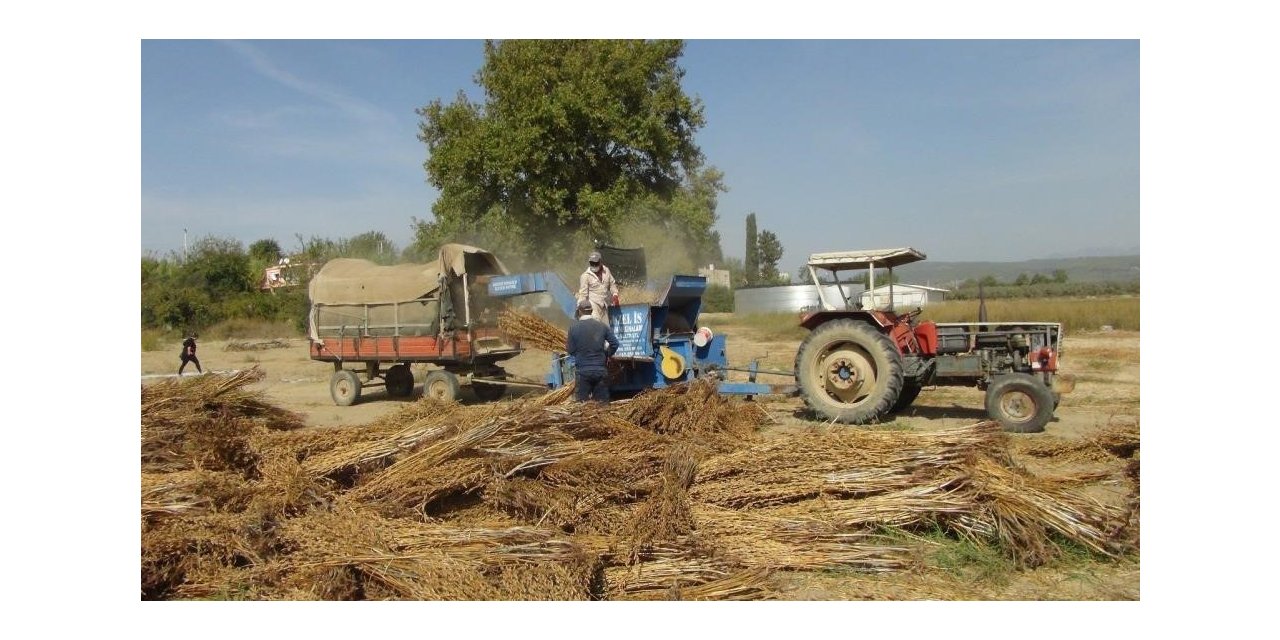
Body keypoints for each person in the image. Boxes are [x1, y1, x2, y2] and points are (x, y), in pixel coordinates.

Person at [565, 300, 619, 403]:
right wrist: (607, 354)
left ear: (579, 312)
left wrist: (581, 354)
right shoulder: (602, 326)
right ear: (591, 311)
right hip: (600, 371)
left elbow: (570, 350)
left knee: (582, 406)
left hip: (583, 372)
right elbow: (615, 344)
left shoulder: (573, 328)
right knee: (602, 405)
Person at [576, 250, 620, 325]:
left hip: (604, 306)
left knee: (606, 328)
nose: (593, 265)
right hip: (593, 307)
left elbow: (612, 283)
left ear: (600, 262)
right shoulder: (585, 276)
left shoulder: (606, 271)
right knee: (597, 328)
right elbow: (583, 294)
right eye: (592, 263)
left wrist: (615, 294)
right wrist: (579, 307)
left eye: (595, 263)